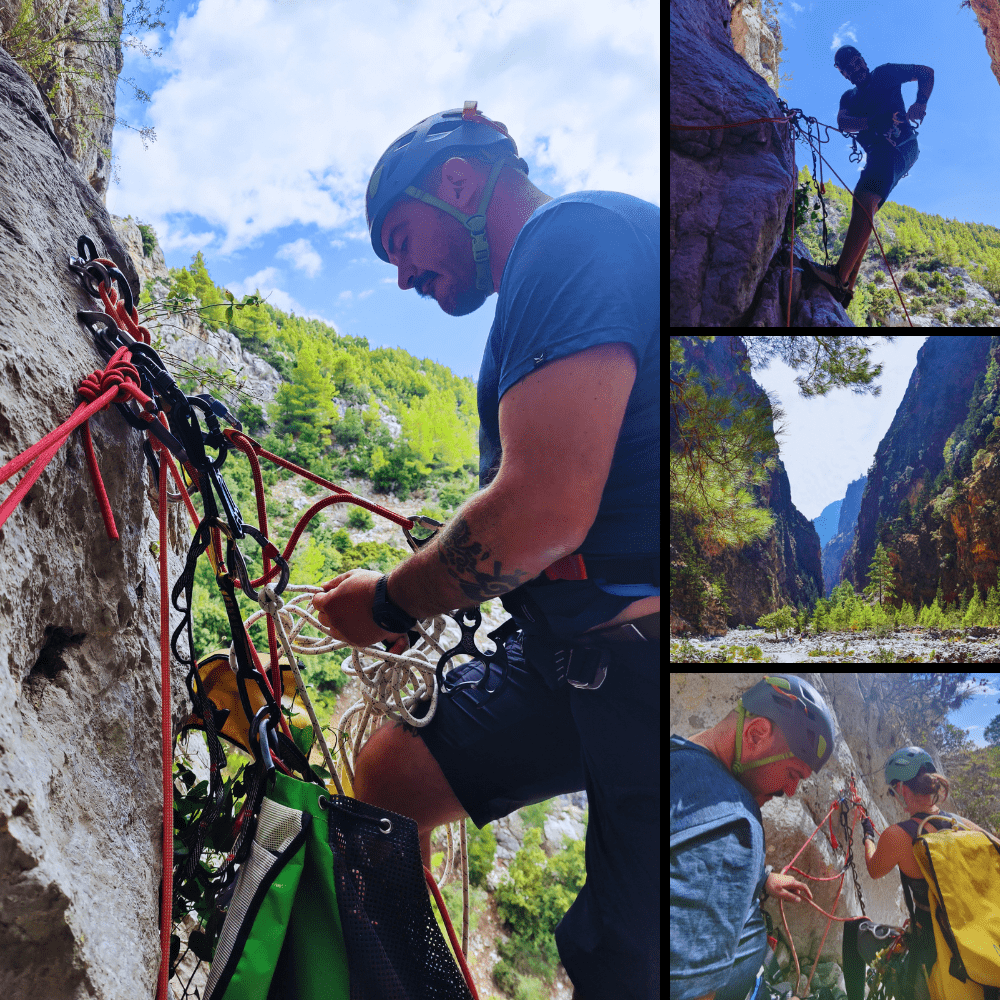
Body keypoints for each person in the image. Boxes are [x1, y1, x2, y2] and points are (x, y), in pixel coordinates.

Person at [310, 102, 660, 999]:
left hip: (636, 661)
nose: (402, 277)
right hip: (567, 650)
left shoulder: (572, 238)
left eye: (400, 241)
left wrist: (388, 602)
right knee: (389, 778)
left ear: (459, 183)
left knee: (623, 963)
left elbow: (540, 514)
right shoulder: (563, 262)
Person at [670, 675, 836, 1000]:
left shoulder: (677, 754)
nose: (791, 791)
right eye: (793, 774)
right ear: (756, 734)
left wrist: (761, 878)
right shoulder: (734, 822)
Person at [854, 747, 990, 1000]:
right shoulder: (961, 824)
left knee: (855, 932)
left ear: (902, 789)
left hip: (931, 949)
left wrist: (868, 836)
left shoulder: (898, 835)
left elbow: (873, 869)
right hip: (976, 940)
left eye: (894, 792)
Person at [802, 46, 933, 307]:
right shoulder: (848, 98)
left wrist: (920, 102)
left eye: (857, 62)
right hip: (881, 154)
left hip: (900, 145)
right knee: (865, 206)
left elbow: (925, 72)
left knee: (864, 197)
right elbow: (843, 122)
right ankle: (847, 286)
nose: (855, 69)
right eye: (848, 68)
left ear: (863, 60)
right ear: (843, 73)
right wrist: (874, 121)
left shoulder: (885, 74)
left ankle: (838, 276)